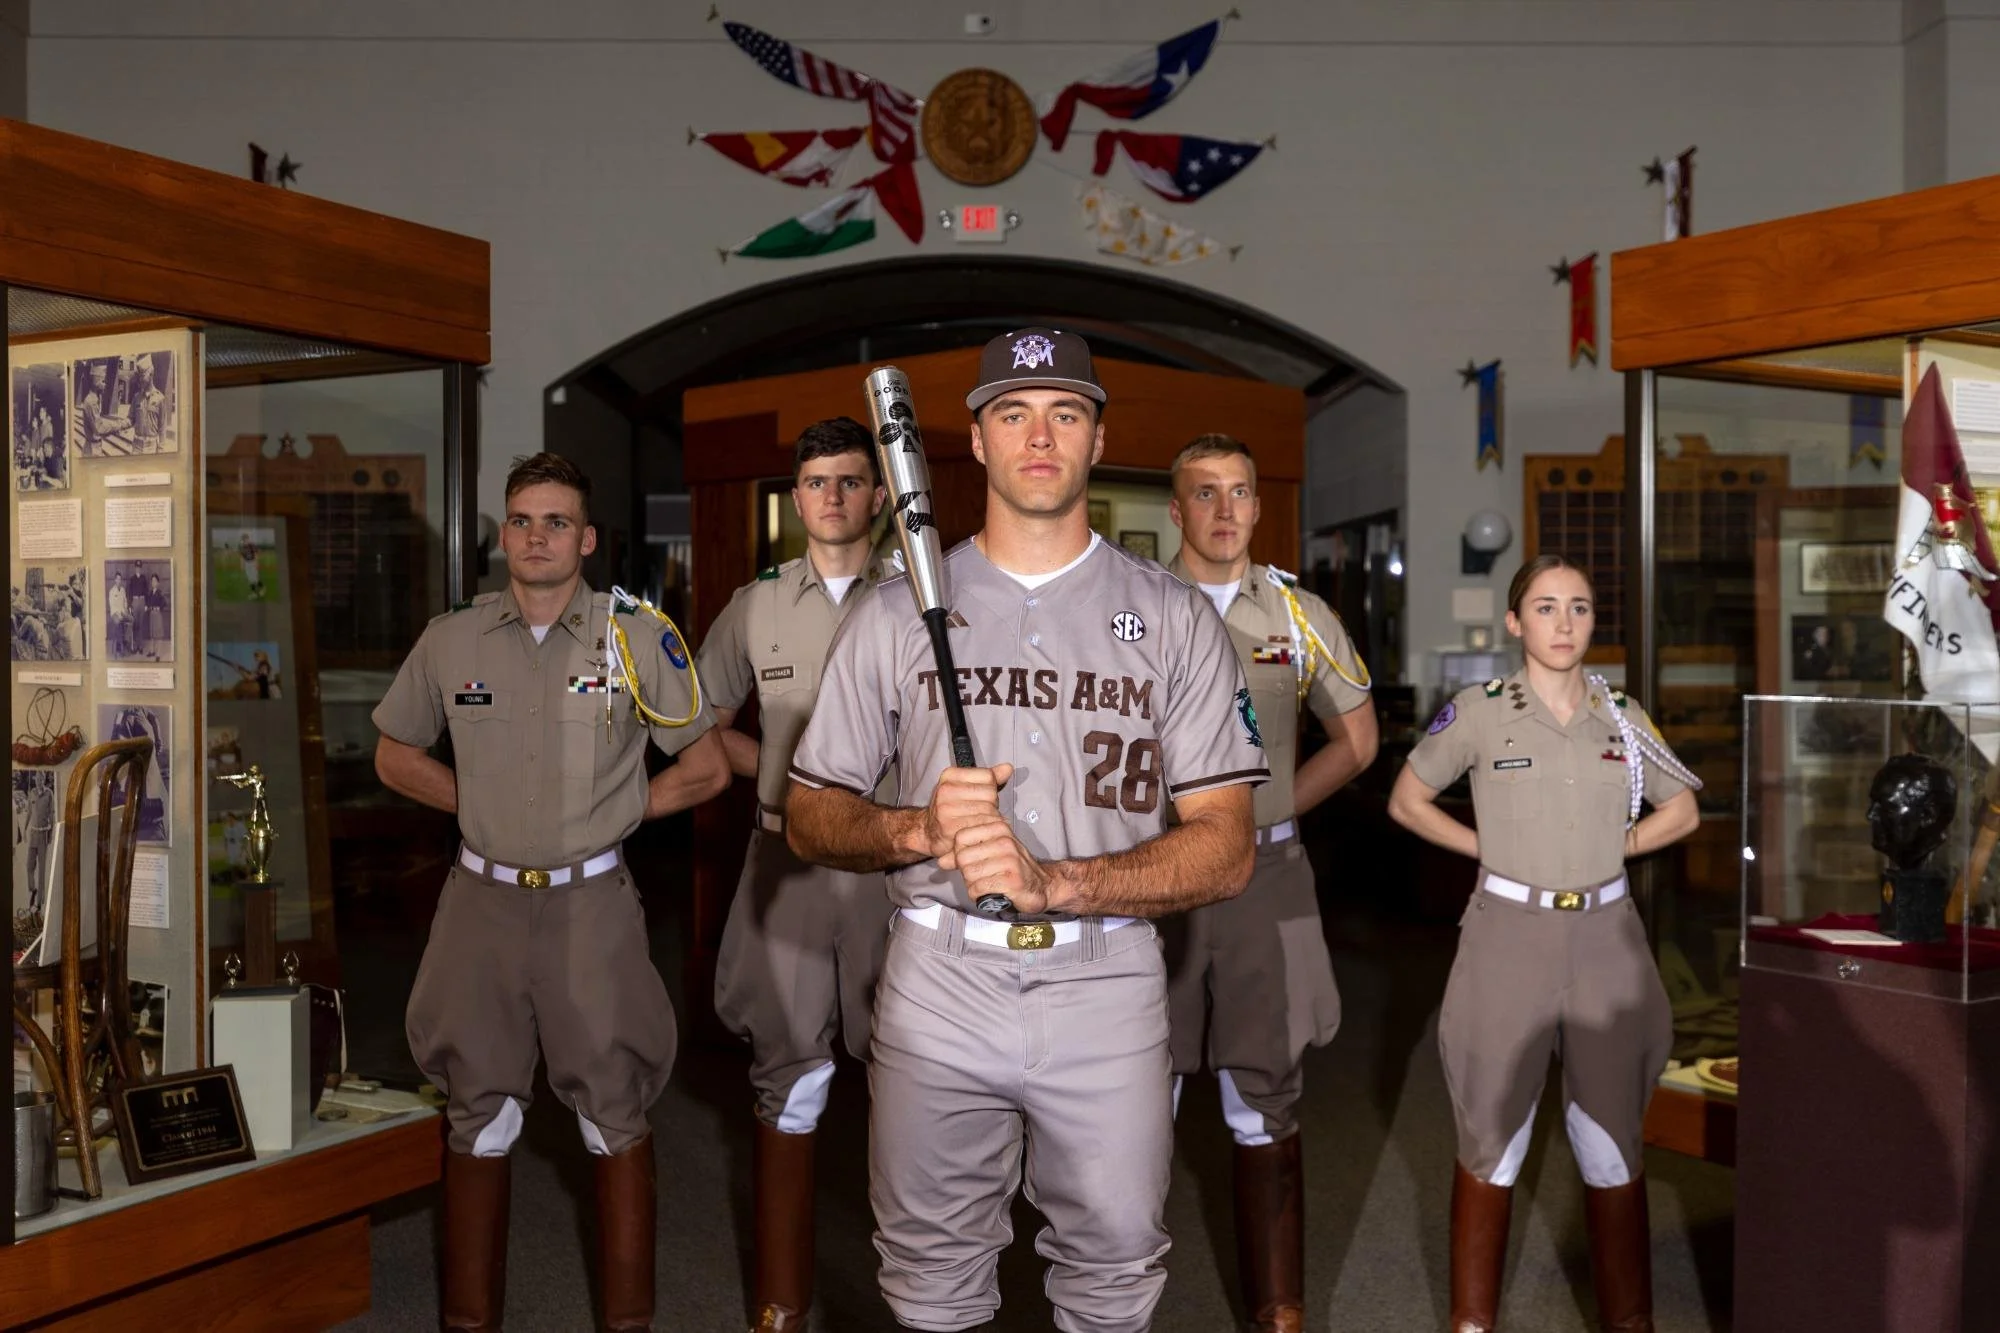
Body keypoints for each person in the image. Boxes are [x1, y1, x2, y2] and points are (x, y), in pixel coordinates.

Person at [786, 328, 1266, 1331]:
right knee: (927, 1274)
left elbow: (1224, 845)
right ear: (974, 439)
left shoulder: (1173, 616)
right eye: (1013, 412)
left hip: (1107, 978)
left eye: (1063, 412)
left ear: (1097, 439)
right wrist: (917, 828)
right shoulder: (891, 613)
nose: (1037, 434)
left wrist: (1063, 883)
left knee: (1113, 1266)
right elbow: (809, 811)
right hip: (936, 980)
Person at [372, 451, 730, 1332]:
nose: (538, 537)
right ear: (503, 533)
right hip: (480, 905)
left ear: (588, 538)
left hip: (591, 906)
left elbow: (709, 766)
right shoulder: (450, 637)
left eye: (557, 521)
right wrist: (479, 802)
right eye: (523, 520)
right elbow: (394, 753)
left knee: (613, 1109)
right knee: (476, 1113)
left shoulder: (639, 637)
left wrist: (616, 809)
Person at [1387, 554, 1703, 1333]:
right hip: (1509, 938)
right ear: (1514, 621)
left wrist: (1618, 845)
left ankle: (1629, 1320)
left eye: (1581, 608)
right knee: (1495, 1133)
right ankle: (1472, 1323)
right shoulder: (1482, 709)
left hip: (1605, 939)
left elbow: (1686, 807)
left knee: (1611, 1137)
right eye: (1546, 606)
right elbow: (1407, 799)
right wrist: (1484, 848)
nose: (1564, 623)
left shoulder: (1622, 714)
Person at [1162, 433, 1380, 1333]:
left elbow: (1359, 742)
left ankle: (1278, 1309)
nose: (1224, 510)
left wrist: (1270, 810)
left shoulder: (1300, 618)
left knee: (1267, 1090)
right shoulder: (1128, 609)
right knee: (1134, 1086)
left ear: (1258, 507)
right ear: (1174, 511)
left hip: (1268, 873)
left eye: (1240, 493)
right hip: (1158, 879)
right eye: (1205, 493)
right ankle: (1107, 1302)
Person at [696, 417, 896, 1331]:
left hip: (897, 867)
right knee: (788, 1075)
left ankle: (925, 1300)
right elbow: (692, 718)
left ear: (879, 495)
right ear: (796, 495)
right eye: (816, 482)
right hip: (786, 863)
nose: (832, 498)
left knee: (918, 1076)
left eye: (850, 481)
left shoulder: (927, 600)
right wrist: (777, 780)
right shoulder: (757, 603)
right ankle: (781, 1301)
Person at [108, 572, 129, 659]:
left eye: (120, 579)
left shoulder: (123, 590)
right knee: (118, 623)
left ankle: (125, 643)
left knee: (131, 620)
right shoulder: (112, 591)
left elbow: (125, 602)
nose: (119, 581)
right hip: (114, 613)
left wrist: (125, 611)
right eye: (117, 579)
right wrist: (118, 614)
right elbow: (112, 605)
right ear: (115, 580)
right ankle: (119, 647)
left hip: (122, 612)